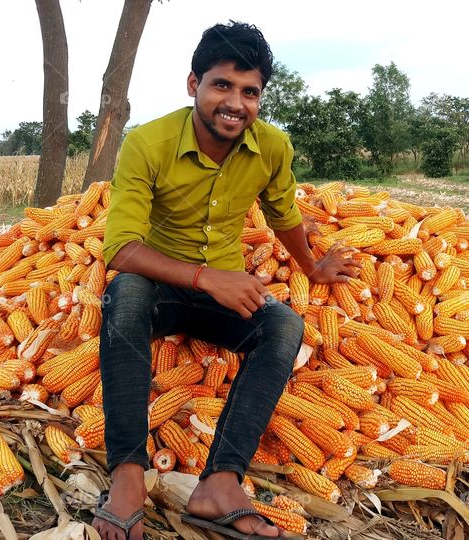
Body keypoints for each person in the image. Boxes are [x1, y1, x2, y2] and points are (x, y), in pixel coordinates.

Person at [94, 21, 359, 540]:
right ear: (194, 84)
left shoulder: (273, 147)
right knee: (123, 296)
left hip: (220, 294)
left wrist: (312, 267)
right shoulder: (147, 143)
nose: (234, 102)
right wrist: (204, 276)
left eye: (250, 91)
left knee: (284, 327)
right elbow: (121, 249)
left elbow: (283, 215)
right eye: (222, 85)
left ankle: (219, 481)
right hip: (159, 285)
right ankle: (127, 472)